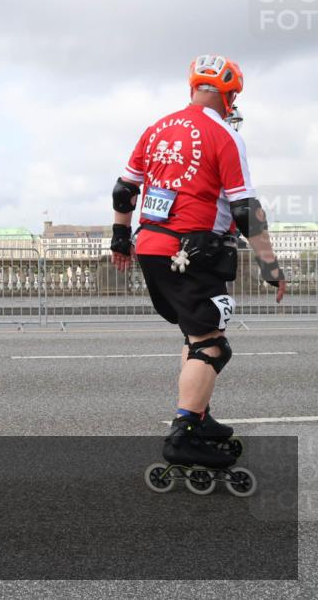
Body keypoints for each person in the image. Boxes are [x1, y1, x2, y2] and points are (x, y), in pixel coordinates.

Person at [110, 54, 286, 468]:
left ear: (192, 89)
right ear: (229, 95)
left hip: (151, 247)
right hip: (192, 253)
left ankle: (199, 418)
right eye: (233, 99)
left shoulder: (156, 129)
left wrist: (120, 240)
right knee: (212, 347)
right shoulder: (223, 134)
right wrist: (270, 265)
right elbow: (244, 208)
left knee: (195, 336)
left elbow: (124, 190)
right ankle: (184, 433)